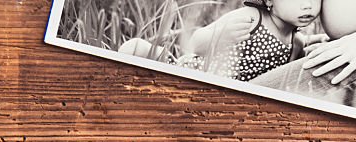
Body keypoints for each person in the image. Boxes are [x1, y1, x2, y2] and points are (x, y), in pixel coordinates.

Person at [120, 0, 322, 82]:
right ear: (269, 0)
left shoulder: (296, 44)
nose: (308, 6)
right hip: (195, 74)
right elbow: (195, 44)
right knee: (134, 48)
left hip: (228, 98)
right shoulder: (252, 18)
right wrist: (220, 36)